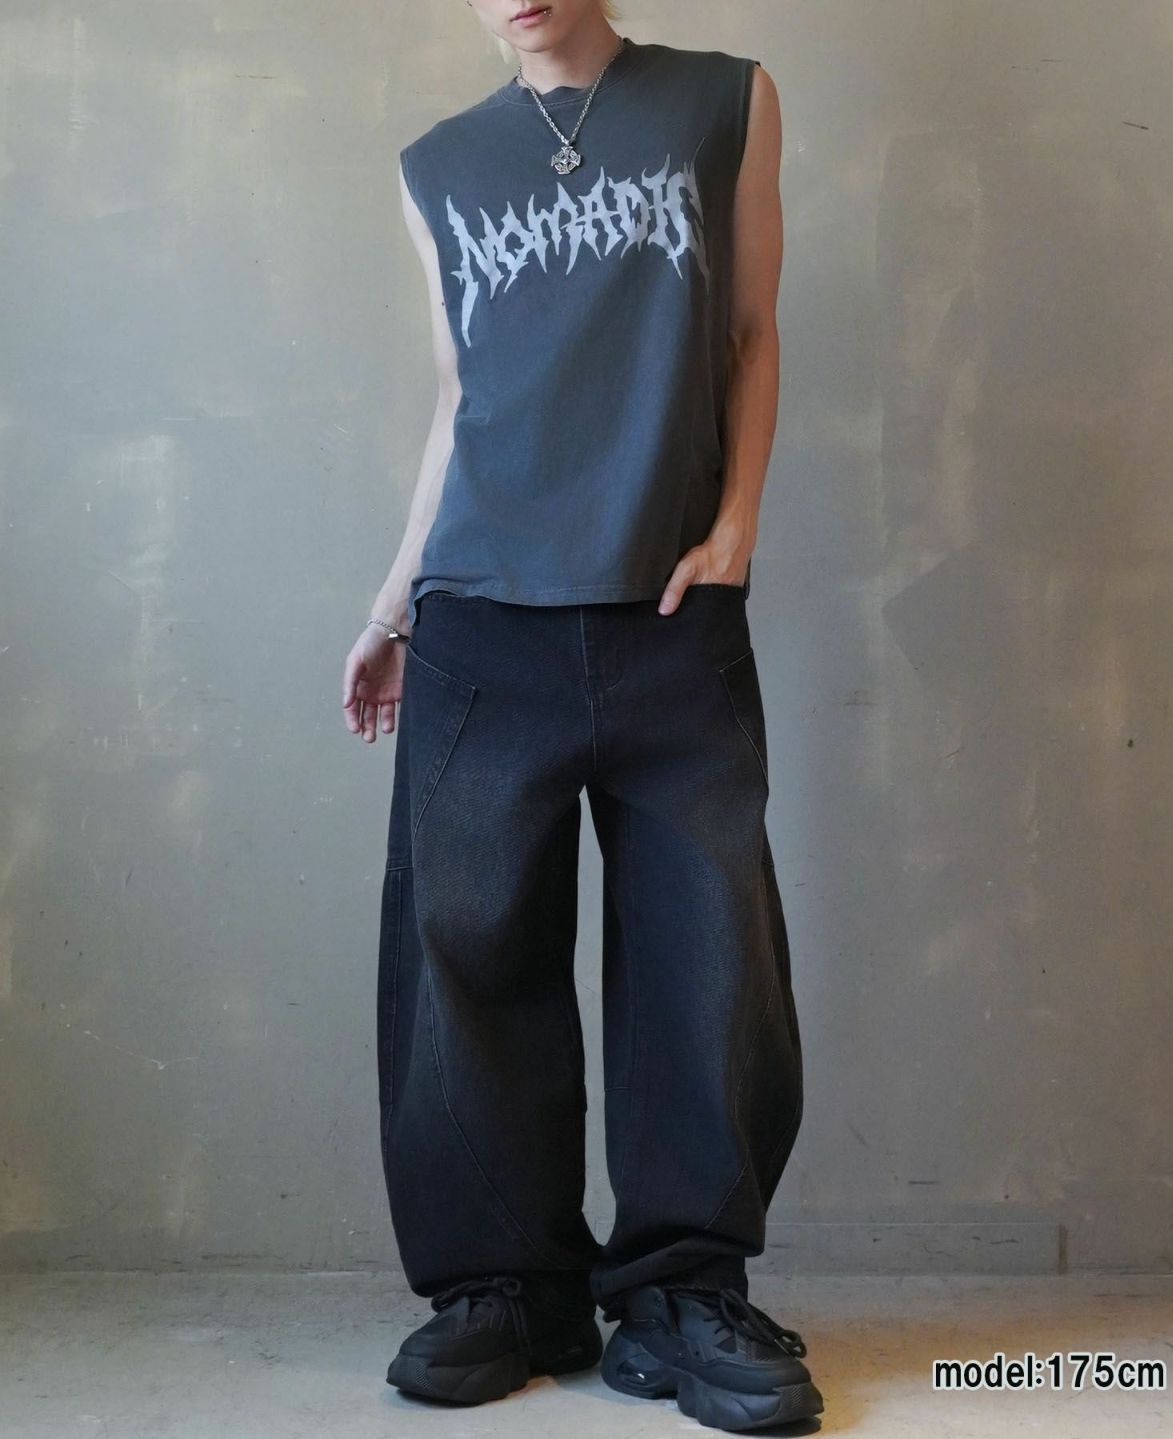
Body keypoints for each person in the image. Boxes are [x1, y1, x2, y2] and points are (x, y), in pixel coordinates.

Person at [341, 1, 824, 1431]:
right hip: (481, 620)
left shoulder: (724, 100)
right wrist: (393, 606)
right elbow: (460, 399)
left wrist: (736, 527)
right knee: (464, 957)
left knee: (706, 957)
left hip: (671, 608)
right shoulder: (437, 165)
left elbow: (750, 330)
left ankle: (682, 1290)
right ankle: (506, 1287)